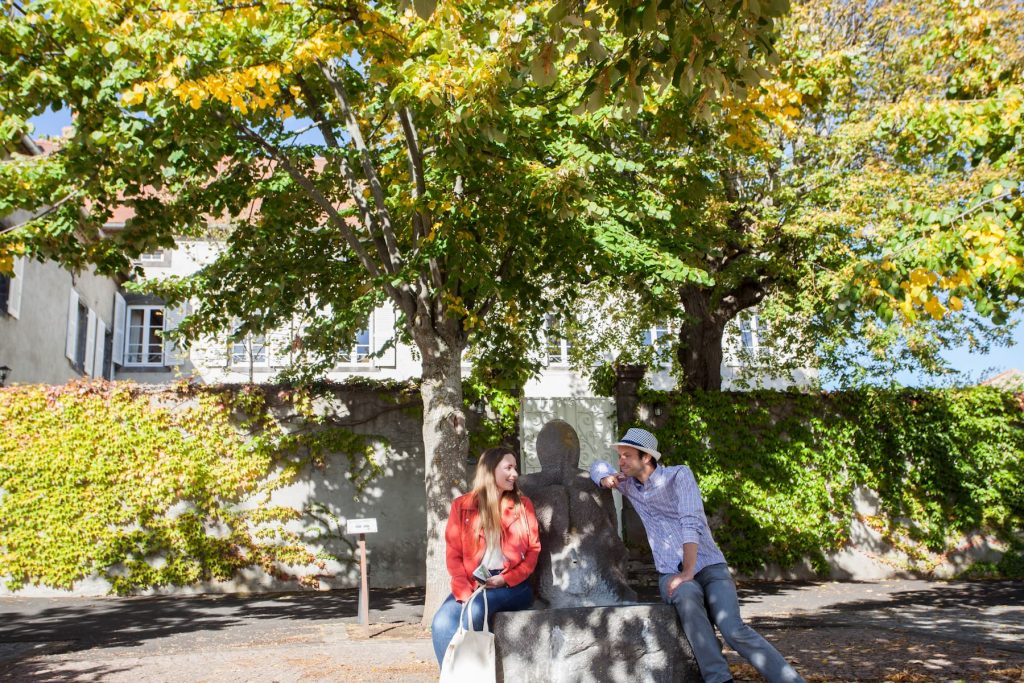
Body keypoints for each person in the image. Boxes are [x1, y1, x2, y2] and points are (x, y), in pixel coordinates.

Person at [591, 427, 805, 683]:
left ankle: (791, 681)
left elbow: (690, 522)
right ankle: (720, 679)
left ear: (646, 457)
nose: (621, 461)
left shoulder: (679, 475)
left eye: (627, 455)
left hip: (709, 566)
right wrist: (604, 478)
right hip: (670, 571)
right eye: (620, 456)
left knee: (733, 630)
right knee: (686, 594)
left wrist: (688, 571)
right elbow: (597, 466)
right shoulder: (629, 486)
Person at [431, 446, 541, 666]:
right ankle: (453, 677)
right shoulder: (461, 506)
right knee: (442, 622)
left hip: (513, 584)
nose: (515, 474)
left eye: (515, 468)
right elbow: (454, 555)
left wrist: (506, 579)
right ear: (490, 470)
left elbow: (533, 551)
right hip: (473, 583)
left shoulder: (522, 506)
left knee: (476, 610)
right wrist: (463, 591)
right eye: (508, 467)